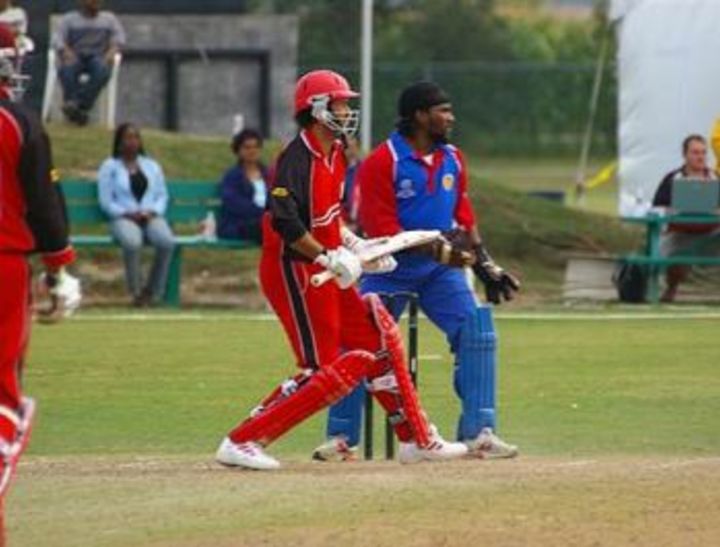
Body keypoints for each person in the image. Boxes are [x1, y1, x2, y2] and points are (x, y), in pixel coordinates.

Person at [215, 70, 468, 470]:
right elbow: (286, 222)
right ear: (316, 109)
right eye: (339, 104)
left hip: (323, 265)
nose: (347, 111)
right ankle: (243, 439)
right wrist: (326, 258)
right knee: (325, 369)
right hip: (293, 270)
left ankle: (416, 439)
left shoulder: (336, 151)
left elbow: (329, 218)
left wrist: (358, 245)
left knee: (376, 339)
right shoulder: (297, 157)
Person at [314, 81, 520, 462]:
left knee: (476, 331)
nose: (450, 118)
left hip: (438, 274)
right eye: (443, 110)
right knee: (355, 343)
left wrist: (485, 261)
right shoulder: (383, 161)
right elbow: (382, 228)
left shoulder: (453, 158)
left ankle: (479, 434)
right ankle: (342, 437)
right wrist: (437, 249)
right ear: (420, 116)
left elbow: (463, 213)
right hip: (386, 267)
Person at [0, 23, 77, 498]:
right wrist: (58, 267)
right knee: (6, 395)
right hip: (5, 262)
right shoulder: (18, 121)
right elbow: (43, 202)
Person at [98, 123, 175, 307]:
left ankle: (153, 291)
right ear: (119, 142)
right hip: (123, 217)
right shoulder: (110, 167)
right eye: (128, 137)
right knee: (132, 242)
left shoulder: (151, 166)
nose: (132, 142)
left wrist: (153, 211)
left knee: (166, 241)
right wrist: (127, 213)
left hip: (150, 215)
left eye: (136, 137)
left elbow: (162, 195)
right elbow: (106, 201)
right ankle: (136, 291)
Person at [652, 134, 720, 302]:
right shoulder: (672, 180)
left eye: (704, 153)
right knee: (657, 253)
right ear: (685, 155)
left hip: (710, 233)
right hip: (679, 233)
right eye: (695, 152)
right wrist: (672, 211)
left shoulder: (716, 179)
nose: (700, 157)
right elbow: (657, 207)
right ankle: (666, 289)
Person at [52, 0, 125, 125]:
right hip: (76, 55)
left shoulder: (109, 19)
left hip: (98, 57)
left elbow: (119, 39)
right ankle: (78, 112)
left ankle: (77, 105)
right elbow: (57, 38)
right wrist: (65, 51)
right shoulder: (69, 19)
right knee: (67, 69)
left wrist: (110, 53)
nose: (96, 3)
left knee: (102, 71)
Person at [217, 128, 268, 244]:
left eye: (256, 147)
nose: (252, 151)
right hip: (239, 224)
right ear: (238, 150)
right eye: (247, 147)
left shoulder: (268, 174)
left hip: (266, 221)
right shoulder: (232, 176)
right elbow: (233, 203)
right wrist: (264, 213)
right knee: (275, 229)